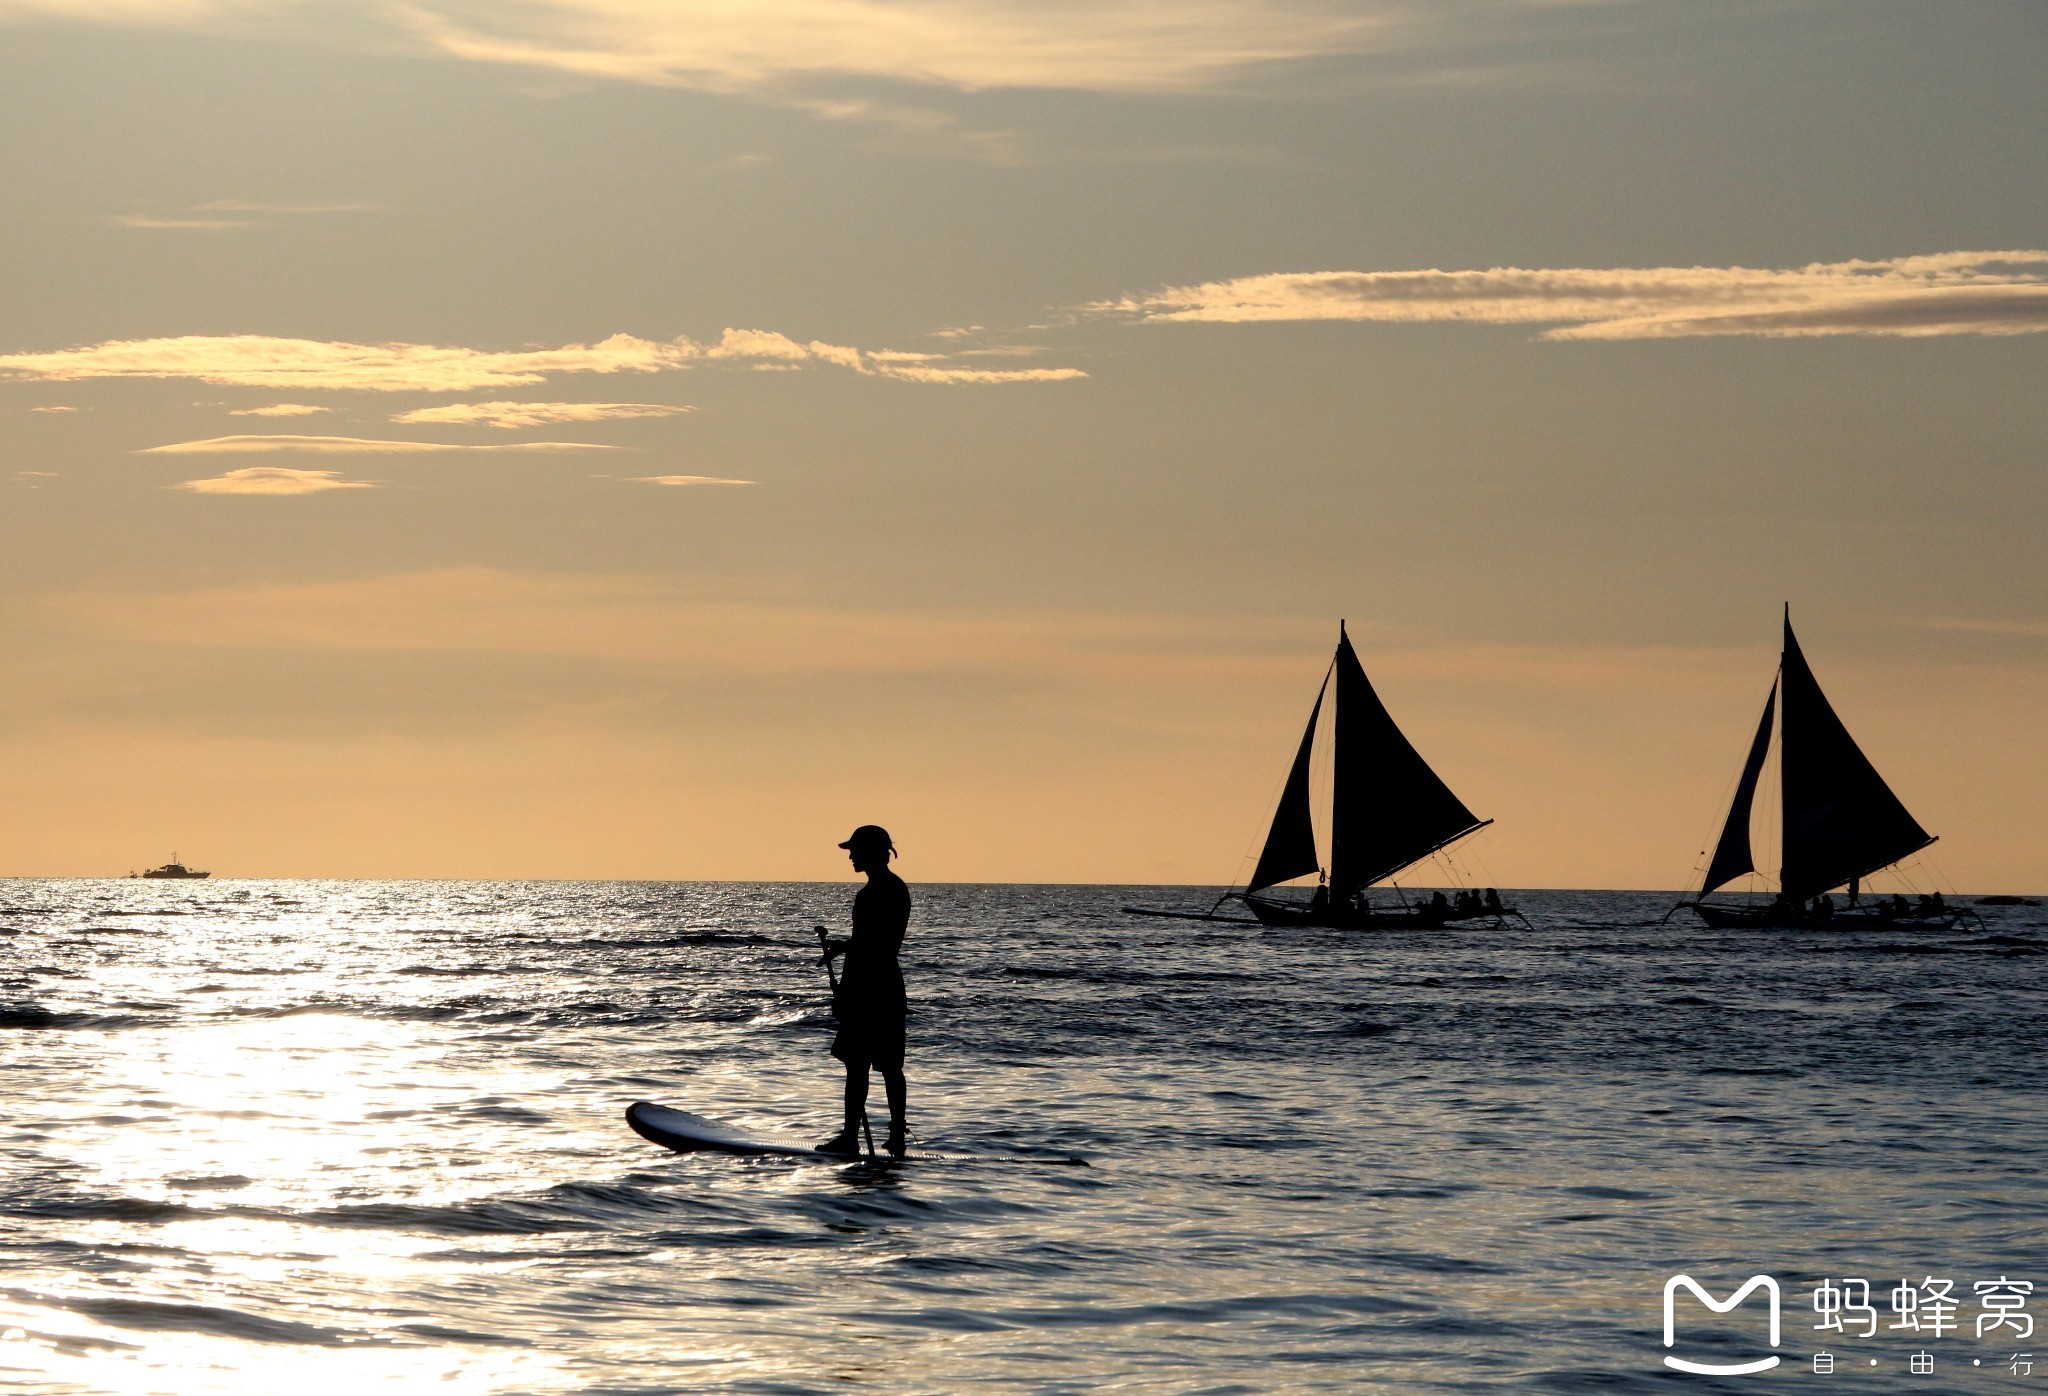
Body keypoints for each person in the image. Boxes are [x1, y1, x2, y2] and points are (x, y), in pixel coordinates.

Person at [816, 825, 910, 1156]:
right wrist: (845, 948)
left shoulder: (879, 892)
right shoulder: (889, 888)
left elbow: (875, 947)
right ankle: (894, 1137)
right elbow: (870, 943)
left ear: (871, 852)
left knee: (860, 1065)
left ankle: (851, 1139)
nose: (851, 856)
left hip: (872, 988)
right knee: (886, 1065)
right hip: (884, 986)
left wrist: (847, 991)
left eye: (855, 850)